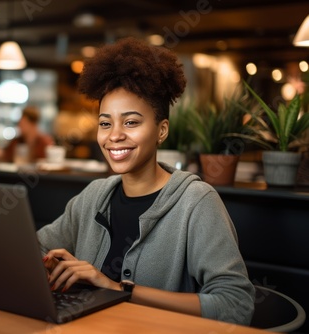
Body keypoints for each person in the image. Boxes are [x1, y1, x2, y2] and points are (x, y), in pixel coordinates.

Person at [37, 37, 255, 325]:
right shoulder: (94, 196)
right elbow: (34, 248)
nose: (114, 135)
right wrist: (47, 264)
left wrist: (118, 289)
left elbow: (236, 305)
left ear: (161, 130)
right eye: (105, 123)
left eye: (131, 122)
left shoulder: (196, 202)